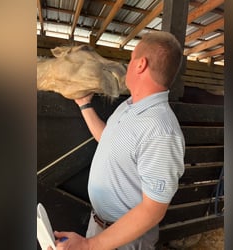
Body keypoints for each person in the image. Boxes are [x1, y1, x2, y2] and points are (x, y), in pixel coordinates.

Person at [50, 31, 185, 250]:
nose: (128, 65)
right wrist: (85, 105)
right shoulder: (129, 106)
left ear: (141, 64)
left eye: (131, 59)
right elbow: (108, 140)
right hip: (101, 228)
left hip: (126, 241)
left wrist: (88, 245)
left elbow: (153, 210)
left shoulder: (161, 130)